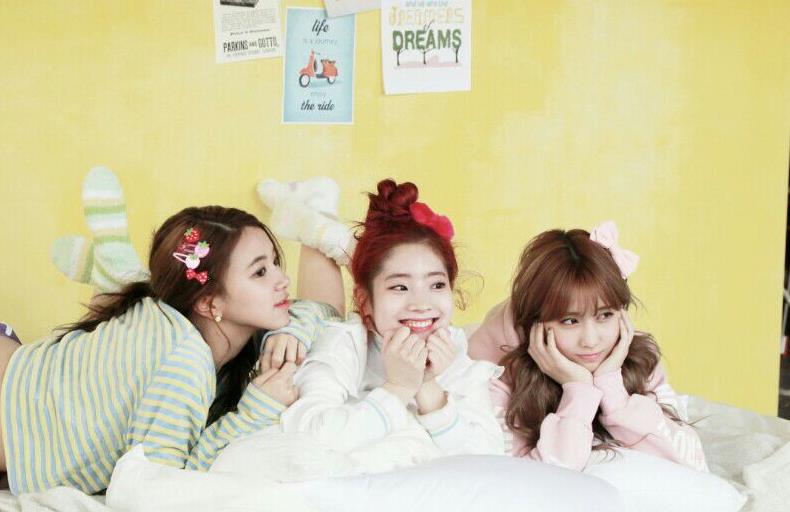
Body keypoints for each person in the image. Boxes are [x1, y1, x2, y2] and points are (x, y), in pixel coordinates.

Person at [0, 167, 340, 495]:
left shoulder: (173, 310)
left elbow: (327, 315)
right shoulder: (184, 364)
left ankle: (114, 273)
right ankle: (112, 272)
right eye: (260, 272)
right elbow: (158, 484)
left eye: (275, 262)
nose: (283, 279)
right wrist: (254, 412)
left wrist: (292, 330)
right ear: (208, 303)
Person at [232, 178, 504, 476]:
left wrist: (427, 386)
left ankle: (320, 221)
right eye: (400, 287)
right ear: (366, 301)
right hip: (337, 330)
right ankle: (318, 220)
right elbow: (310, 436)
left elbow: (488, 460)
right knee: (328, 314)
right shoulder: (343, 343)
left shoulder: (453, 347)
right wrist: (399, 388)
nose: (421, 303)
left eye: (437, 285)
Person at [468, 222, 708, 471]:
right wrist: (578, 392)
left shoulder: (636, 357)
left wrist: (614, 392)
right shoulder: (497, 378)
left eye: (605, 315)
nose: (591, 341)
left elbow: (693, 464)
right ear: (534, 325)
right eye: (569, 321)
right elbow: (527, 483)